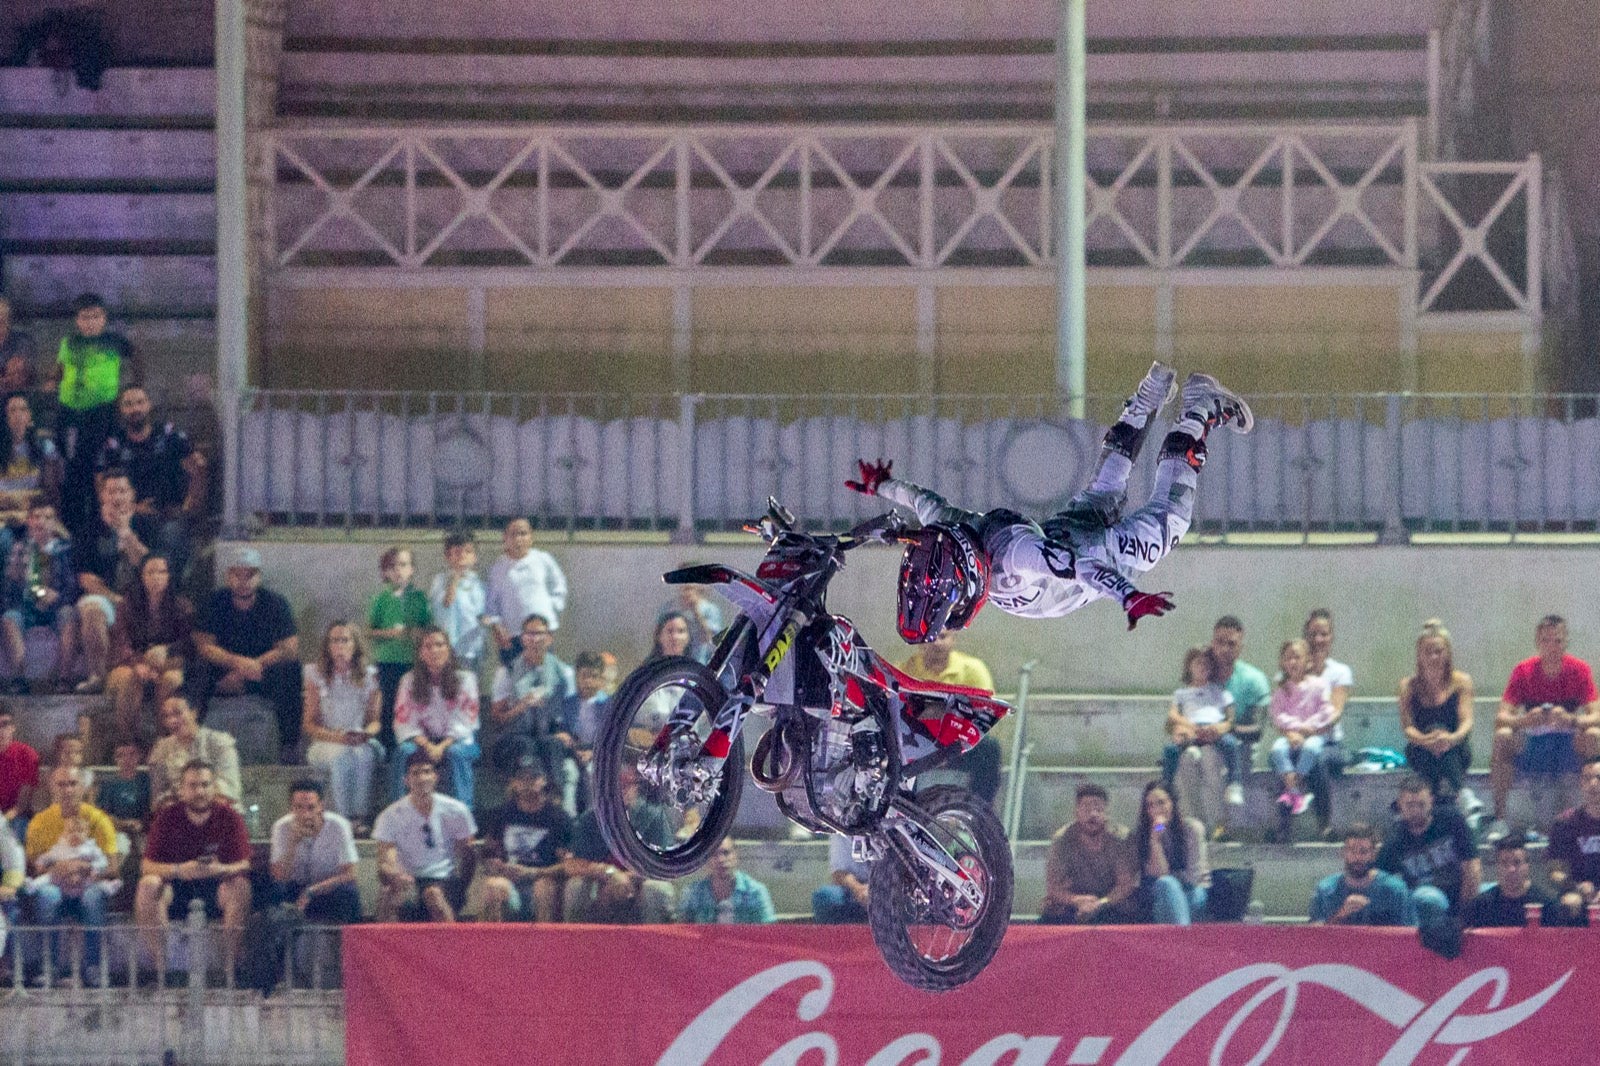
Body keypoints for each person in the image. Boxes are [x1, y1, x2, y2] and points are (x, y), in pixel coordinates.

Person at [845, 363, 1252, 639]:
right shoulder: (946, 526)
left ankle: (1199, 409)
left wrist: (1127, 595)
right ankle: (1148, 395)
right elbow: (921, 499)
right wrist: (882, 485)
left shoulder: (1015, 554)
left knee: (1171, 519)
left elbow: (1085, 567)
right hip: (1063, 532)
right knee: (1106, 487)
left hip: (1099, 553)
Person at [1488, 615, 1600, 841]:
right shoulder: (1524, 671)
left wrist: (1571, 719)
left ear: (1566, 642)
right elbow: (1501, 717)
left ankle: (1594, 812)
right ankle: (1500, 819)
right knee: (1502, 737)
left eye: (1558, 641)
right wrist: (1525, 720)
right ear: (1538, 642)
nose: (1552, 647)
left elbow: (1596, 715)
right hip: (1534, 740)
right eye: (1547, 641)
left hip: (1567, 741)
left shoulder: (1579, 670)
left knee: (1594, 735)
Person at [134, 759, 251, 964]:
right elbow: (147, 866)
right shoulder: (166, 817)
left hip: (216, 886)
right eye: (193, 785)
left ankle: (230, 970)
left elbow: (245, 863)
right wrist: (181, 870)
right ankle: (162, 969)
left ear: (214, 787)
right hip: (176, 886)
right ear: (182, 789)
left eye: (205, 785)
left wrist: (220, 868)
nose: (199, 791)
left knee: (240, 886)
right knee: (148, 885)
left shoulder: (230, 817)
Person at [192, 545, 302, 758]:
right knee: (198, 669)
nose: (243, 581)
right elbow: (204, 646)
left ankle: (289, 746)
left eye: (249, 575)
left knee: (290, 670)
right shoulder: (215, 602)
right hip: (224, 671)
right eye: (237, 574)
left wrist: (252, 667)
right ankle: (194, 739)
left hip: (261, 672)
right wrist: (237, 663)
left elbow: (289, 648)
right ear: (228, 576)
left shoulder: (275, 603)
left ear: (259, 577)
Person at [93, 385, 205, 572]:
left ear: (149, 405)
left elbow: (198, 468)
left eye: (140, 402)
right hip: (127, 515)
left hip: (167, 515)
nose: (135, 409)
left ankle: (167, 594)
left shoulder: (168, 434)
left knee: (171, 538)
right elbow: (100, 483)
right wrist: (131, 508)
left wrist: (189, 506)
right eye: (128, 404)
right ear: (121, 409)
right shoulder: (113, 443)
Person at [55, 293, 142, 533]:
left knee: (100, 467)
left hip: (102, 412)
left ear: (104, 318)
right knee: (73, 468)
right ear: (77, 320)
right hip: (71, 412)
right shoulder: (69, 342)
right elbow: (60, 368)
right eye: (85, 317)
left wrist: (133, 387)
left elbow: (136, 355)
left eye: (95, 316)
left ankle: (99, 523)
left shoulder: (114, 341)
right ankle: (71, 527)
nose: (90, 322)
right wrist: (55, 383)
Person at [24, 764, 120, 978]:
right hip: (56, 885)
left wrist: (84, 867)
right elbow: (32, 868)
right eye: (61, 784)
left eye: (72, 784)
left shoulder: (98, 820)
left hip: (88, 885)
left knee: (93, 898)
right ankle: (50, 967)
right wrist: (56, 868)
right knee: (46, 895)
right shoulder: (39, 822)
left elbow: (113, 869)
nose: (67, 790)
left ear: (83, 787)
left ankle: (93, 967)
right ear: (52, 788)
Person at [73, 468, 158, 693]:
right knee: (91, 608)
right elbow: (86, 578)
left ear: (132, 495)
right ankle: (98, 678)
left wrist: (125, 533)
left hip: (144, 598)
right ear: (102, 496)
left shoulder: (147, 525)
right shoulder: (90, 529)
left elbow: (153, 567)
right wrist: (116, 599)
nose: (116, 498)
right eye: (110, 492)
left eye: (122, 491)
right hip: (108, 599)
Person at [897, 630, 1001, 805]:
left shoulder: (974, 670)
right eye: (931, 637)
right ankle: (904, 810)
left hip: (959, 744)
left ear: (954, 639)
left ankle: (979, 810)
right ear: (920, 642)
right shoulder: (904, 671)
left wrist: (928, 710)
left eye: (942, 636)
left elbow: (984, 714)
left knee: (989, 749)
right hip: (919, 743)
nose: (936, 643)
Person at [373, 751, 476, 922]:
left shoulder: (457, 811)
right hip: (408, 880)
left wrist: (461, 887)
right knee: (388, 897)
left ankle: (453, 946)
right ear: (406, 780)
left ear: (436, 777)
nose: (422, 778)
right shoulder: (390, 815)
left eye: (427, 772)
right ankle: (386, 948)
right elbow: (386, 859)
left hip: (443, 879)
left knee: (433, 895)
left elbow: (468, 854)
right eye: (415, 773)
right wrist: (394, 874)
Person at [562, 769, 674, 924]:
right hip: (601, 882)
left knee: (656, 889)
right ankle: (575, 945)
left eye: (626, 787)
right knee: (576, 887)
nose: (620, 793)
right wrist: (608, 874)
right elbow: (571, 865)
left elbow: (665, 865)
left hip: (639, 883)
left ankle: (655, 945)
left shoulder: (654, 817)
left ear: (635, 788)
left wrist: (625, 878)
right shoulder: (590, 819)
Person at [301, 621, 382, 826]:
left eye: (344, 640)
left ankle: (360, 816)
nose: (339, 645)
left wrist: (364, 735)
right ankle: (342, 820)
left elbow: (375, 722)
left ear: (355, 644)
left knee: (363, 755)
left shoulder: (370, 676)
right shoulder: (315, 674)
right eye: (334, 640)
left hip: (358, 738)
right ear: (328, 646)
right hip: (326, 740)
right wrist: (337, 737)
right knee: (340, 757)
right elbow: (309, 724)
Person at [487, 613, 575, 799]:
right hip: (514, 736)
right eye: (529, 634)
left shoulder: (563, 673)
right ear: (522, 639)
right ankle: (523, 799)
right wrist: (520, 707)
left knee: (552, 744)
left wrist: (563, 731)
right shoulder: (508, 672)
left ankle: (553, 801)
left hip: (548, 734)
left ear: (549, 638)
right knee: (525, 745)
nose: (534, 639)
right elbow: (497, 718)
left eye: (539, 634)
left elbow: (570, 711)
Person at [105, 553, 191, 741]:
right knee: (129, 678)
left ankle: (165, 740)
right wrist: (137, 664)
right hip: (129, 664)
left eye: (162, 572)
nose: (156, 577)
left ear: (169, 575)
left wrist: (166, 651)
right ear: (142, 576)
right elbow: (121, 641)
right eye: (150, 572)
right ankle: (129, 742)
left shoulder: (181, 605)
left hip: (167, 664)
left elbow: (189, 641)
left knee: (171, 679)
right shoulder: (127, 605)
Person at [1376, 774, 1481, 928]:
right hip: (1424, 906)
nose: (1416, 811)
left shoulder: (1452, 820)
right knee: (1427, 898)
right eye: (1410, 805)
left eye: (1421, 804)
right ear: (1400, 805)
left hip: (1460, 896)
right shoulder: (1394, 840)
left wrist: (1463, 914)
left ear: (1431, 801)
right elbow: (1379, 880)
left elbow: (1472, 868)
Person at [391, 627, 480, 804]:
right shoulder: (408, 681)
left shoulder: (466, 679)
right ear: (421, 653)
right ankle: (399, 808)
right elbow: (405, 722)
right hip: (422, 741)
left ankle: (463, 812)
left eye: (440, 645)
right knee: (404, 752)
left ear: (448, 649)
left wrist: (441, 746)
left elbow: (464, 722)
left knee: (456, 753)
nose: (434, 651)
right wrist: (427, 745)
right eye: (428, 646)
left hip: (457, 741)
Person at [477, 759, 572, 923]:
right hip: (511, 882)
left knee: (543, 889)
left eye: (533, 778)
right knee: (493, 886)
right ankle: (492, 945)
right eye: (522, 779)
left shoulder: (558, 818)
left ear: (543, 780)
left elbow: (569, 865)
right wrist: (496, 865)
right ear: (514, 783)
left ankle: (546, 945)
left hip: (544, 879)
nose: (527, 783)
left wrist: (534, 872)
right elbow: (488, 853)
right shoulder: (502, 814)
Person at [1162, 645, 1242, 836]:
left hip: (1214, 731)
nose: (1202, 668)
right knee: (1171, 750)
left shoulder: (1218, 691)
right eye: (1198, 664)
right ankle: (1165, 787)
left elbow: (1231, 718)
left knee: (1230, 744)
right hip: (1192, 732)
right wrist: (1189, 727)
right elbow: (1173, 716)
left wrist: (1219, 728)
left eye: (1206, 665)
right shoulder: (1182, 693)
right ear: (1189, 666)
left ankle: (1234, 783)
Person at [1, 499, 78, 694]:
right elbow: (8, 591)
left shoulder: (65, 550)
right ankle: (19, 679)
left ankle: (64, 680)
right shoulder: (19, 549)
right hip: (26, 607)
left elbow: (72, 588)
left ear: (54, 523)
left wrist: (56, 598)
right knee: (10, 618)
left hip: (56, 606)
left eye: (47, 517)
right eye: (36, 517)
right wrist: (23, 588)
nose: (41, 522)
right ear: (29, 521)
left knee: (69, 615)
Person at [1398, 619, 1475, 806]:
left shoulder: (1462, 682)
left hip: (1456, 749)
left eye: (1438, 651)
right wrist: (1427, 741)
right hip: (1421, 748)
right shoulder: (1408, 686)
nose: (1433, 657)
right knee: (1432, 736)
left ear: (1447, 653)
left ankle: (1430, 802)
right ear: (1419, 655)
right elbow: (1408, 727)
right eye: (1428, 652)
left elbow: (1467, 721)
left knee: (1440, 733)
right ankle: (1461, 794)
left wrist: (1451, 738)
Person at [1039, 783, 1137, 925]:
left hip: (1111, 901)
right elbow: (1054, 887)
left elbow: (1125, 884)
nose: (1093, 814)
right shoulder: (1062, 839)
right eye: (1086, 808)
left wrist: (1100, 904)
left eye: (1098, 809)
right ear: (1076, 812)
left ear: (1107, 813)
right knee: (1049, 912)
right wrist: (1077, 901)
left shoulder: (1121, 838)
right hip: (1074, 901)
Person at [267, 779, 361, 923]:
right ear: (291, 808)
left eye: (311, 808)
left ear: (321, 807)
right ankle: (279, 943)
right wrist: (292, 844)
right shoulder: (281, 828)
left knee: (349, 893)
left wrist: (312, 890)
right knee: (275, 892)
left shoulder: (339, 826)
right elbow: (280, 876)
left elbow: (350, 873)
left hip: (326, 889)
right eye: (299, 807)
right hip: (294, 887)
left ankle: (350, 943)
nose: (305, 815)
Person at [368, 546, 431, 749]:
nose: (398, 571)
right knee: (388, 706)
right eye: (392, 566)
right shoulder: (380, 599)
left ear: (412, 569)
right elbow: (369, 631)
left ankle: (412, 747)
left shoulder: (420, 598)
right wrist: (389, 634)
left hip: (413, 661)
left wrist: (417, 633)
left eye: (403, 565)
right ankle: (388, 748)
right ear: (385, 572)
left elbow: (429, 629)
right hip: (388, 661)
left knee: (413, 706)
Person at [1267, 639, 1335, 819]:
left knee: (1311, 748)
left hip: (1314, 734)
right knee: (1277, 749)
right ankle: (1292, 784)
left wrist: (1308, 727)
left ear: (1308, 661)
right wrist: (1296, 728)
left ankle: (1298, 782)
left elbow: (1326, 710)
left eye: (1297, 657)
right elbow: (1277, 715)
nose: (1292, 662)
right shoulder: (1281, 690)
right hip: (1292, 736)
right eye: (1288, 658)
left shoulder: (1319, 685)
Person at [484, 518, 568, 660]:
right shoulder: (498, 567)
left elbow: (559, 586)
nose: (519, 539)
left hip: (541, 634)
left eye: (523, 534)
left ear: (531, 537)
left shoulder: (543, 559)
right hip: (512, 636)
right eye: (514, 534)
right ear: (505, 538)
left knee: (543, 676)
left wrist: (550, 609)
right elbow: (491, 602)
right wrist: (497, 626)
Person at [1302, 609, 1354, 838]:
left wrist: (1308, 727)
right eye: (1313, 634)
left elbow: (1335, 712)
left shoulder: (1339, 672)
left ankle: (1324, 823)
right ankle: (1282, 827)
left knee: (1317, 759)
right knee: (1280, 758)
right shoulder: (1293, 670)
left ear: (1331, 637)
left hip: (1331, 746)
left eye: (1323, 634)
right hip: (1299, 741)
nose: (1318, 640)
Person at [1128, 780, 1209, 925]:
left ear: (1172, 803)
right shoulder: (1143, 835)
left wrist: (1173, 880)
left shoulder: (1192, 829)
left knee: (1175, 888)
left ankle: (1181, 937)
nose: (1156, 809)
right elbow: (1159, 875)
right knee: (1166, 885)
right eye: (1150, 805)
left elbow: (1193, 876)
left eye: (1161, 803)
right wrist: (1155, 841)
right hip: (1162, 894)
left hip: (1193, 891)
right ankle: (1183, 937)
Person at [1308, 822, 1416, 926]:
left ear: (1374, 854)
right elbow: (1314, 936)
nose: (1357, 857)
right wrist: (1341, 914)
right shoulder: (1325, 890)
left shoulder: (1395, 890)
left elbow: (1408, 935)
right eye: (1352, 851)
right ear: (1343, 852)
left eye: (1363, 852)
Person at [1463, 832, 1580, 927]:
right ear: (1497, 867)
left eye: (1517, 862)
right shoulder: (1481, 906)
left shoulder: (1547, 905)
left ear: (1527, 866)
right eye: (1504, 863)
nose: (1511, 869)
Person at [1209, 615, 1271, 782]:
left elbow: (1256, 731)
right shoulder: (1201, 675)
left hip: (1242, 748)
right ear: (1212, 643)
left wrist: (1222, 730)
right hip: (1205, 746)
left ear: (1240, 647)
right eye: (1220, 642)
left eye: (1231, 644)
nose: (1224, 649)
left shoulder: (1254, 680)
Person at [148, 695, 241, 806]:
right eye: (166, 716)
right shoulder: (161, 750)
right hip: (178, 816)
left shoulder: (220, 743)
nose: (172, 720)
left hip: (219, 815)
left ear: (194, 713)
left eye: (177, 713)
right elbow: (159, 795)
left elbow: (228, 790)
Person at [549, 650, 609, 811]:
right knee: (569, 773)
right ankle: (569, 817)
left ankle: (592, 818)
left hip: (596, 753)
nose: (588, 681)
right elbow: (559, 728)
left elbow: (610, 737)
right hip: (572, 752)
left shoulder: (608, 705)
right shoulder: (568, 703)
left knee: (592, 773)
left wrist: (592, 753)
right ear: (576, 677)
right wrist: (563, 736)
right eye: (584, 676)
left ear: (601, 679)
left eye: (594, 676)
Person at [0, 394, 62, 529]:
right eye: (13, 410)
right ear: (5, 417)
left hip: (35, 513)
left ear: (29, 415)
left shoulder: (45, 446)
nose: (18, 415)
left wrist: (28, 502)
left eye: (23, 409)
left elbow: (51, 490)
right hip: (3, 515)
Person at [680, 838, 776, 924]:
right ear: (705, 860)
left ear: (736, 856)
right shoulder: (693, 894)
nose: (721, 859)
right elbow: (683, 934)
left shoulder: (756, 892)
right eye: (713, 854)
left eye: (726, 853)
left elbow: (768, 934)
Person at [1546, 755, 1600, 909]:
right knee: (1570, 904)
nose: (1593, 784)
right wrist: (1577, 887)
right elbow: (1554, 872)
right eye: (1587, 778)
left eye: (1598, 778)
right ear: (1581, 783)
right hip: (1578, 890)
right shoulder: (1565, 823)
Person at [428, 531, 485, 674]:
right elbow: (445, 604)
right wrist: (455, 578)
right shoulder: (440, 580)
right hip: (447, 650)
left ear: (475, 557)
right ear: (448, 556)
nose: (463, 556)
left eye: (468, 552)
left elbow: (482, 614)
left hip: (472, 649)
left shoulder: (478, 583)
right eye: (457, 552)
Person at [811, 832, 872, 924]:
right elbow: (838, 872)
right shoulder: (839, 828)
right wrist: (858, 889)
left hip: (889, 889)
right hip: (856, 890)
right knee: (824, 897)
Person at [0, 706, 40, 834]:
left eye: (4, 724)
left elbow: (22, 805)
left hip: (16, 817)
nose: (1, 730)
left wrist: (3, 820)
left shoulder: (27, 755)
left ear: (13, 727)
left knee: (18, 828)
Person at [0, 297, 39, 396]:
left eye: (1, 321)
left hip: (16, 398)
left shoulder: (22, 342)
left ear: (8, 322)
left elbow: (16, 377)